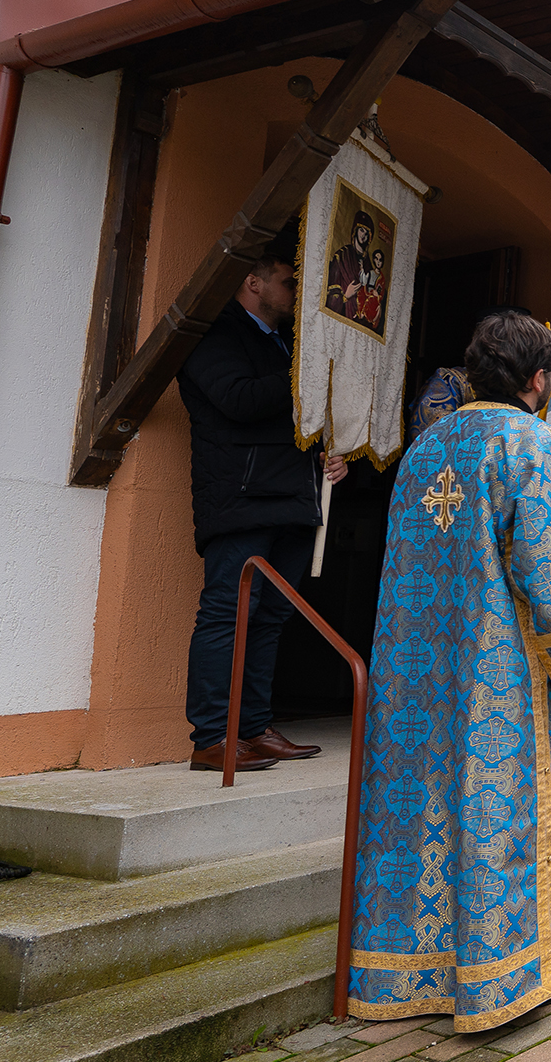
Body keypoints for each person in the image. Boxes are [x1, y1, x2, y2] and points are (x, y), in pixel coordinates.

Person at [347, 311, 551, 1031]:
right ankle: (503, 979)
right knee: (496, 818)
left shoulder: (424, 451)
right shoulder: (530, 444)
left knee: (422, 818)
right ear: (539, 380)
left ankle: (410, 974)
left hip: (416, 674)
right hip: (498, 672)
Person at [176, 254, 348, 773]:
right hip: (242, 498)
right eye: (287, 282)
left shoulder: (281, 345)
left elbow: (292, 423)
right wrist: (308, 375)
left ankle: (252, 727)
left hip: (291, 498)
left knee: (271, 618)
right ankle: (212, 738)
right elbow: (238, 400)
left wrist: (325, 455)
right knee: (228, 613)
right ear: (253, 283)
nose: (295, 292)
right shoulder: (216, 333)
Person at [325, 210, 372, 320]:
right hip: (345, 312)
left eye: (366, 233)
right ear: (355, 231)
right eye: (361, 230)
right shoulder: (342, 256)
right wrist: (345, 296)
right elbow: (331, 294)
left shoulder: (368, 262)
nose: (363, 235)